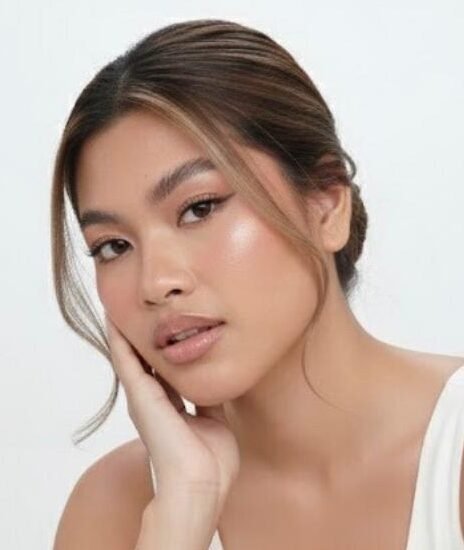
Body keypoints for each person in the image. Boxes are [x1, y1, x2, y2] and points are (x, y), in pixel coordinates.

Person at [51, 18, 464, 550]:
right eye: (113, 246)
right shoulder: (117, 508)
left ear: (327, 205)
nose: (155, 282)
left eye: (200, 208)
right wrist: (182, 513)